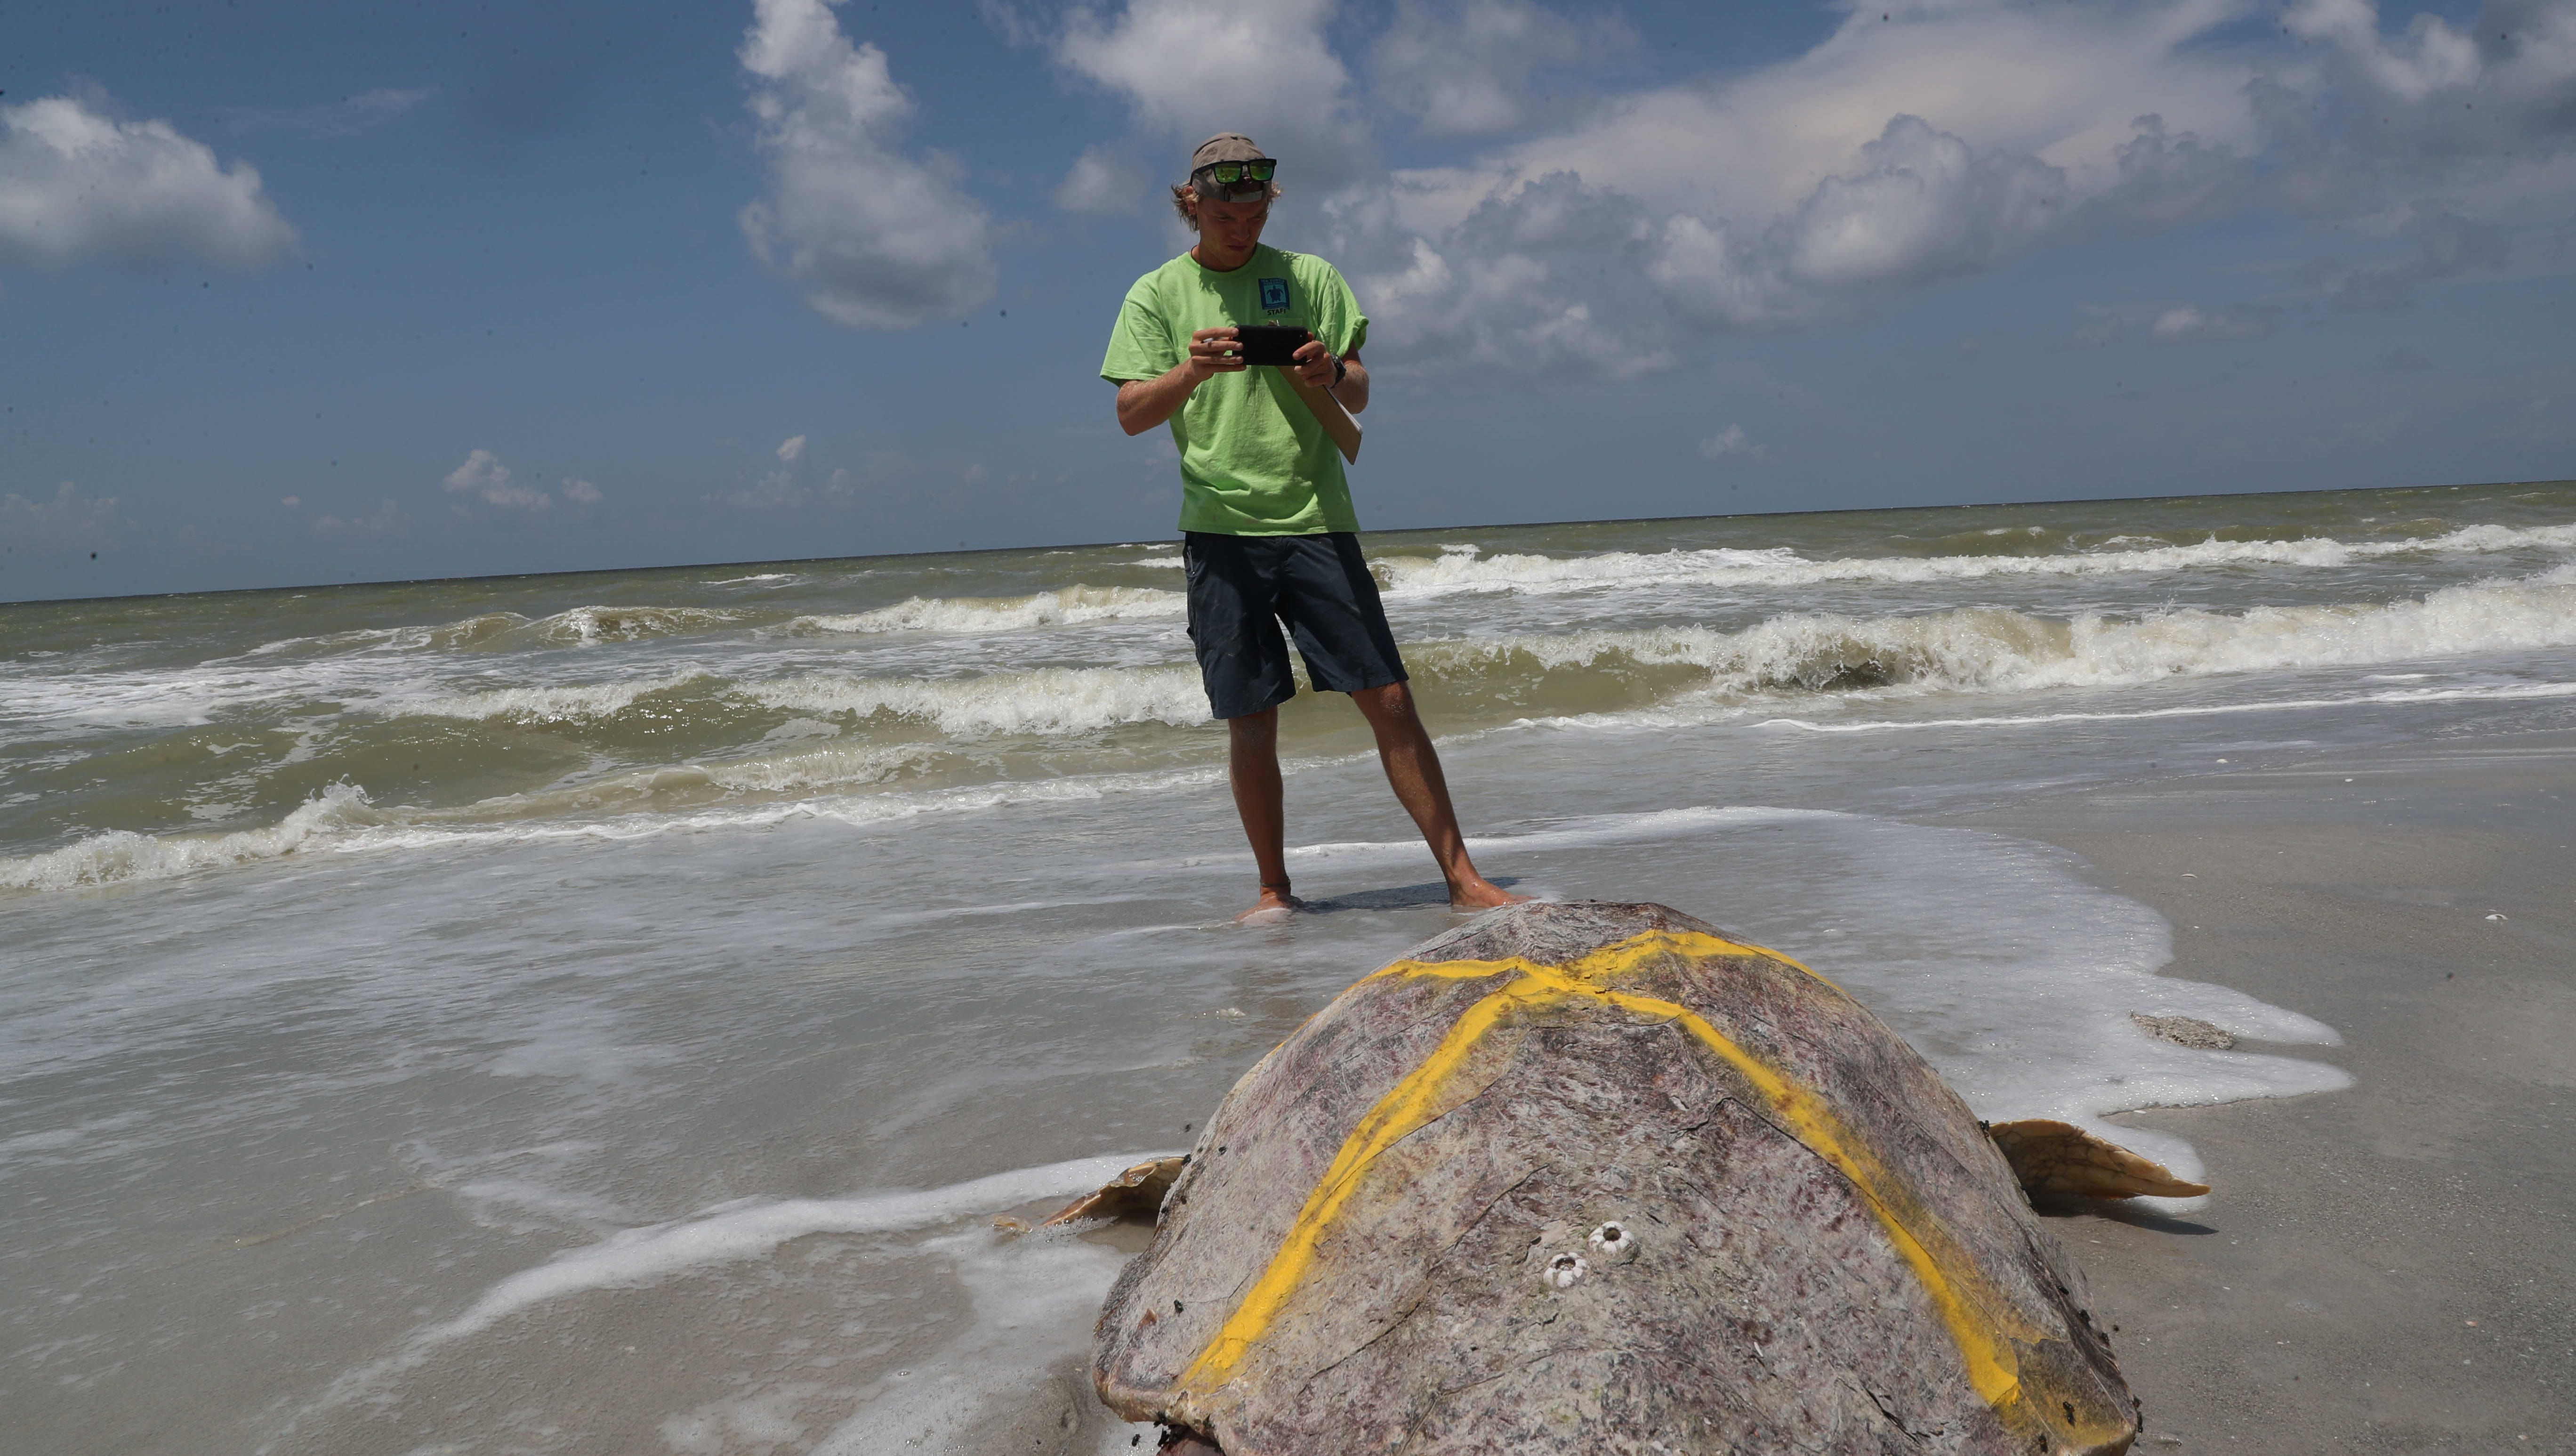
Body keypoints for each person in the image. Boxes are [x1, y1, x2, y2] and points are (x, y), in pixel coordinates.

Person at [1100, 133, 1527, 924]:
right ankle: (1273, 889)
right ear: (1192, 205)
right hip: (1220, 531)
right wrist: (1192, 371)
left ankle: (1463, 876)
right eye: (1224, 210)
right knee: (1250, 718)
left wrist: (1330, 371)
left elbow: (1359, 393)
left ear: (1271, 201)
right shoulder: (1155, 294)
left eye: (1254, 207)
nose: (1242, 224)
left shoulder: (1312, 278)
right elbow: (1130, 414)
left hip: (1317, 521)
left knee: (1391, 699)